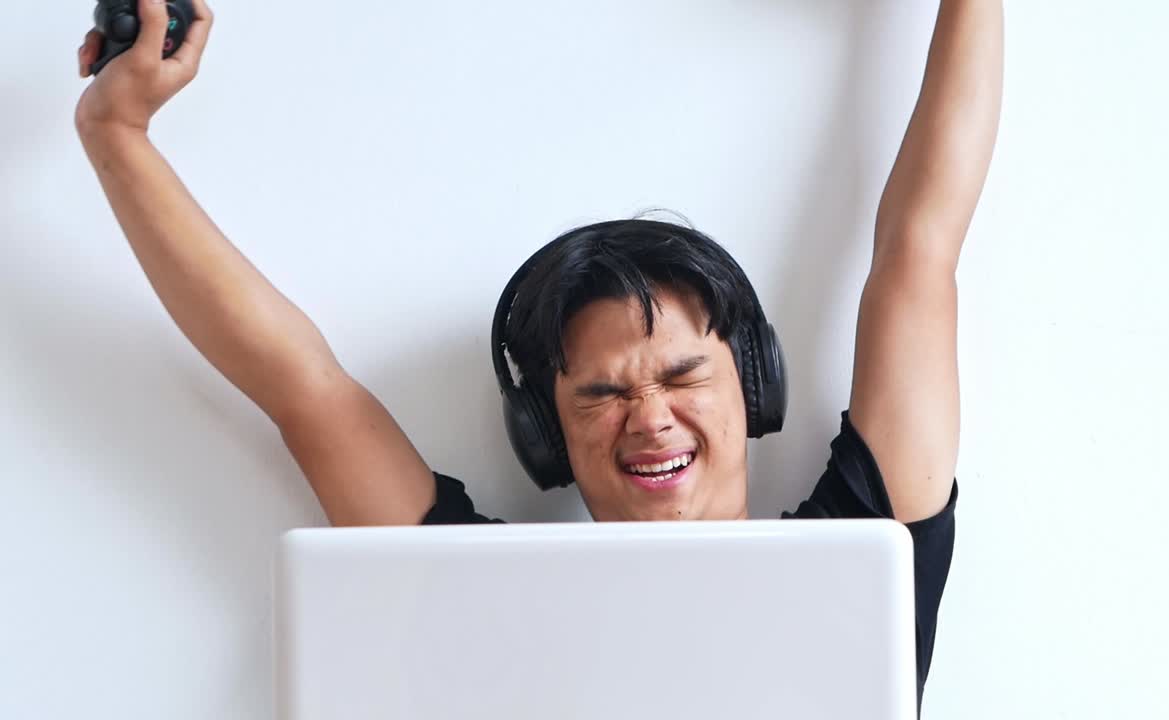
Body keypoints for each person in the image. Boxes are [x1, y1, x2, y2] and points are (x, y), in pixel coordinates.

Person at [74, 0, 1003, 708]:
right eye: (601, 394)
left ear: (752, 384)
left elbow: (920, 250)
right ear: (546, 432)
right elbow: (299, 385)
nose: (650, 418)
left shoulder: (869, 549)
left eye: (683, 375)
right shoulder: (474, 597)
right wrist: (117, 136)